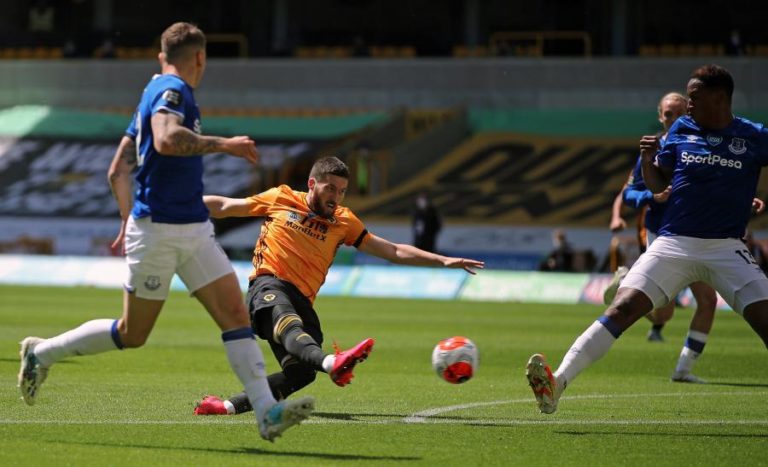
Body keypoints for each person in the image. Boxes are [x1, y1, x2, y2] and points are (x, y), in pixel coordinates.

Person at [17, 22, 313, 441]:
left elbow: (118, 168)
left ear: (162, 56)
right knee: (132, 333)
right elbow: (167, 140)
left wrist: (125, 217)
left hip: (188, 226)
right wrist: (224, 144)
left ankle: (266, 413)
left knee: (233, 314)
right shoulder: (172, 93)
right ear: (200, 58)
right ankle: (41, 353)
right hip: (158, 231)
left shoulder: (151, 93)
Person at [526, 64, 768, 415]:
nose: (688, 105)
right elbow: (657, 186)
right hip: (673, 243)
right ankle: (556, 384)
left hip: (726, 247)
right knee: (621, 308)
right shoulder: (683, 129)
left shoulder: (754, 136)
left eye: (695, 98)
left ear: (720, 99)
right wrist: (647, 158)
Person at [193, 156, 484, 416]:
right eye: (330, 188)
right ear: (312, 184)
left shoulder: (344, 221)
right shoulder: (280, 198)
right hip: (267, 286)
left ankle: (225, 407)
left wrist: (443, 260)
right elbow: (225, 206)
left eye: (342, 191)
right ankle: (333, 362)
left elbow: (392, 250)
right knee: (288, 323)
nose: (336, 197)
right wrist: (178, 203)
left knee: (301, 374)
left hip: (303, 301)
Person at [604, 92, 719, 383]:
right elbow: (628, 193)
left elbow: (720, 185)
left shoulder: (703, 144)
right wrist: (652, 195)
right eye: (668, 114)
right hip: (663, 236)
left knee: (707, 300)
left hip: (696, 233)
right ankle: (627, 289)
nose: (673, 118)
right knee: (663, 314)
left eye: (680, 112)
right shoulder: (653, 148)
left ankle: (683, 369)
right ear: (660, 116)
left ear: (689, 114)